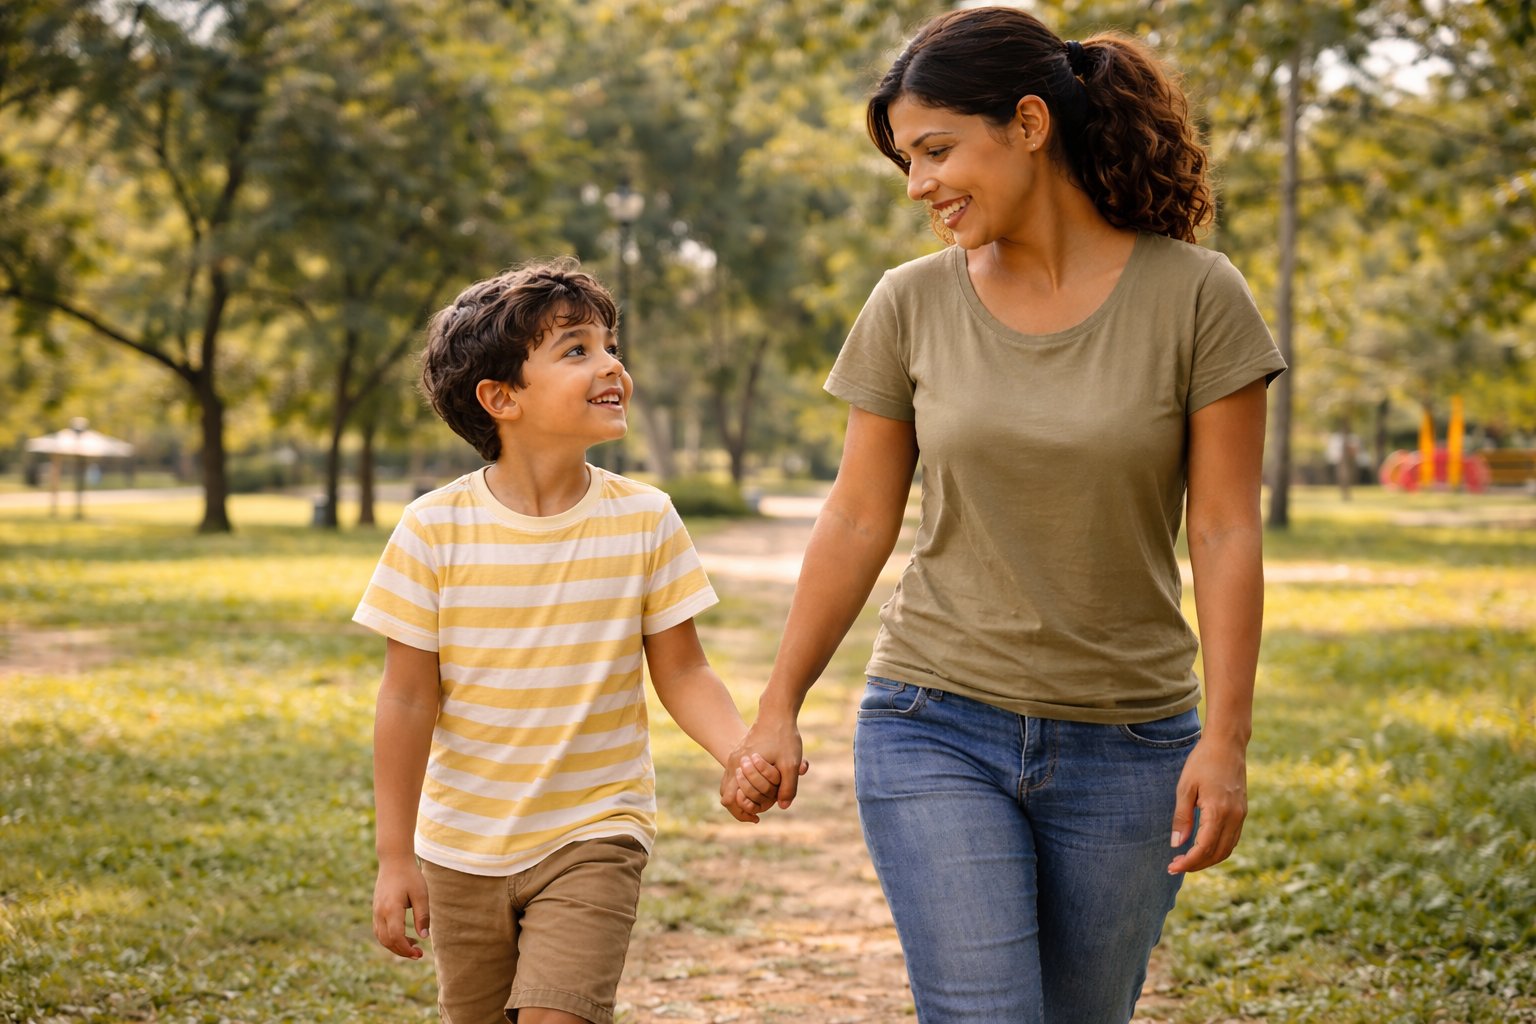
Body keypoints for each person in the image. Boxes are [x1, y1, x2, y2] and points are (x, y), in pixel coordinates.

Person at [723, 7, 1287, 1023]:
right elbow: (856, 519)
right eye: (906, 161)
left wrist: (1228, 739)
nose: (920, 185)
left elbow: (1225, 530)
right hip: (935, 719)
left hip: (1133, 742)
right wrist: (779, 703)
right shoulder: (908, 303)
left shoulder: (1199, 298)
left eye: (937, 150)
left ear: (1029, 123)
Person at [355, 258, 782, 1024]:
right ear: (501, 398)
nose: (612, 363)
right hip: (462, 847)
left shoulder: (645, 519)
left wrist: (738, 751)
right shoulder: (432, 530)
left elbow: (684, 672)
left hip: (595, 829)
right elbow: (408, 700)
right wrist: (395, 857)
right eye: (577, 349)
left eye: (610, 344)